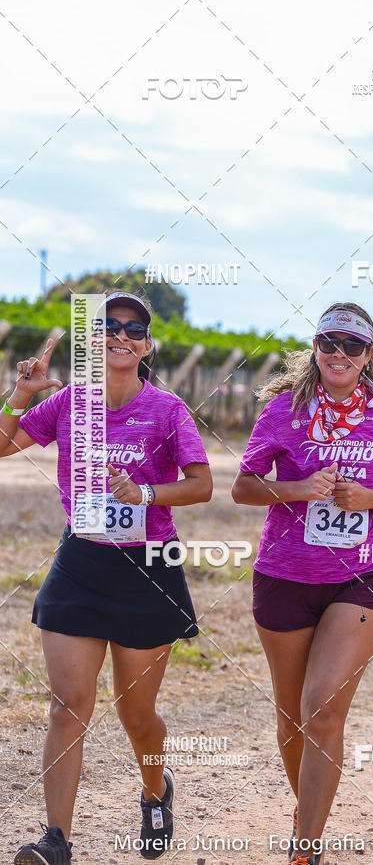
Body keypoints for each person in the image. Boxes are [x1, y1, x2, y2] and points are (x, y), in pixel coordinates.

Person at [2, 291, 212, 864]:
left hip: (149, 568)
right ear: (94, 341)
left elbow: (201, 485)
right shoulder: (69, 401)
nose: (119, 334)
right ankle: (56, 842)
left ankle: (155, 790)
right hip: (81, 561)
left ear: (147, 345)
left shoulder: (168, 410)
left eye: (132, 328)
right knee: (67, 705)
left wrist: (145, 492)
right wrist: (21, 392)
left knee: (135, 714)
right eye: (107, 326)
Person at [231, 302, 373, 865]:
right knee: (292, 716)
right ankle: (308, 809)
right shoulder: (282, 411)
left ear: (369, 355)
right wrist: (295, 489)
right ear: (315, 349)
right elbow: (244, 489)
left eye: (351, 344)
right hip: (283, 574)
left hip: (361, 575)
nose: (338, 353)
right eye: (328, 342)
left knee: (322, 709)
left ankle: (306, 848)